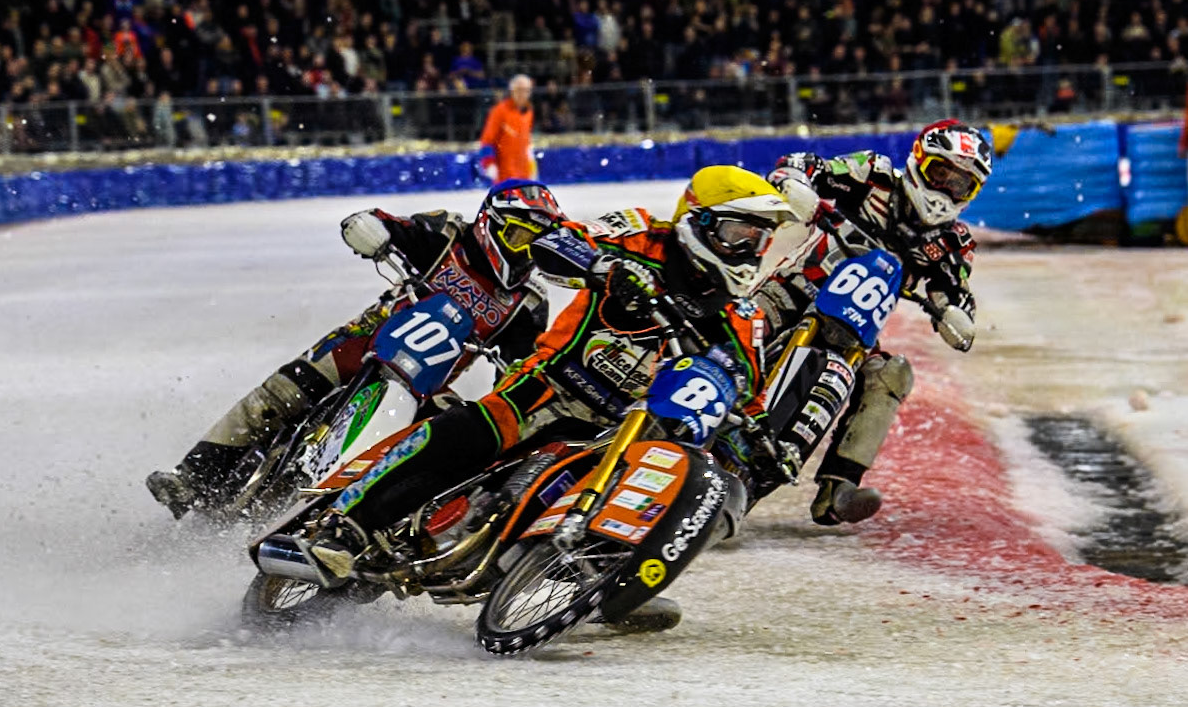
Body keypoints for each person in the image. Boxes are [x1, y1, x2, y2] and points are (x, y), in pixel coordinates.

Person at [308, 166, 804, 584]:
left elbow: (743, 380)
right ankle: (347, 524)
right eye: (740, 234)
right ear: (699, 221)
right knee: (469, 436)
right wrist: (605, 267)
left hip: (620, 427)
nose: (751, 250)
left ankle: (611, 589)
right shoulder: (639, 234)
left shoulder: (743, 316)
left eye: (761, 239)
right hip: (549, 384)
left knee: (646, 490)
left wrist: (760, 436)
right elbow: (557, 243)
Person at [146, 181, 564, 519]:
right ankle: (194, 478)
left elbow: (517, 367)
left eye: (538, 242)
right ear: (490, 224)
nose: (526, 250)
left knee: (439, 440)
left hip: (427, 380)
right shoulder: (446, 234)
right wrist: (369, 228)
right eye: (518, 235)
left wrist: (515, 383)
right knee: (279, 394)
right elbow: (387, 224)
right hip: (369, 337)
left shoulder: (529, 302)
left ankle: (362, 524)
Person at [766, 119, 992, 525]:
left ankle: (840, 486)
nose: (945, 189)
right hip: (797, 287)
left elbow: (955, 292)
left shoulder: (955, 242)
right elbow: (809, 165)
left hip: (855, 326)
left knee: (891, 375)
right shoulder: (873, 174)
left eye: (960, 184)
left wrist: (956, 315)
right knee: (741, 323)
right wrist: (794, 179)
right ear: (920, 160)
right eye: (941, 173)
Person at [475, 74, 536, 184]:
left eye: (526, 90)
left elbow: (527, 142)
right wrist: (489, 164)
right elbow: (487, 140)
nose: (523, 94)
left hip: (524, 175)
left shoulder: (529, 111)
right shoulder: (499, 111)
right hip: (504, 176)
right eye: (519, 90)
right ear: (512, 91)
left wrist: (532, 164)